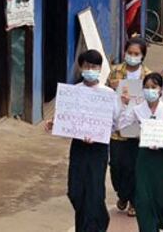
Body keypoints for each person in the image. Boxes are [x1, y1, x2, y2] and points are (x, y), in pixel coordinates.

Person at [45, 50, 118, 232]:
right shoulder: (73, 92)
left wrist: (99, 133)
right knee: (76, 191)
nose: (90, 70)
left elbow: (115, 123)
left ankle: (93, 228)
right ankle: (98, 220)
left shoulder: (108, 94)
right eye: (87, 66)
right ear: (81, 67)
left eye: (94, 67)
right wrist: (54, 124)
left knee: (94, 192)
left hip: (98, 148)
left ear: (100, 69)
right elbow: (66, 121)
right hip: (78, 147)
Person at [118, 73, 163, 232]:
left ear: (161, 89)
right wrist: (124, 106)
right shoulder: (137, 109)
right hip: (144, 157)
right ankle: (147, 228)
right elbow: (121, 126)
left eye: (154, 87)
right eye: (147, 87)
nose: (150, 90)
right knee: (143, 197)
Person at [107, 37, 153, 217]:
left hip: (137, 130)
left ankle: (133, 201)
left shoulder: (148, 75)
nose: (132, 56)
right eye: (130, 53)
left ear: (142, 56)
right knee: (117, 166)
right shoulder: (116, 72)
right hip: (118, 130)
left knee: (134, 167)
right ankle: (122, 194)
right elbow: (107, 96)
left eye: (137, 54)